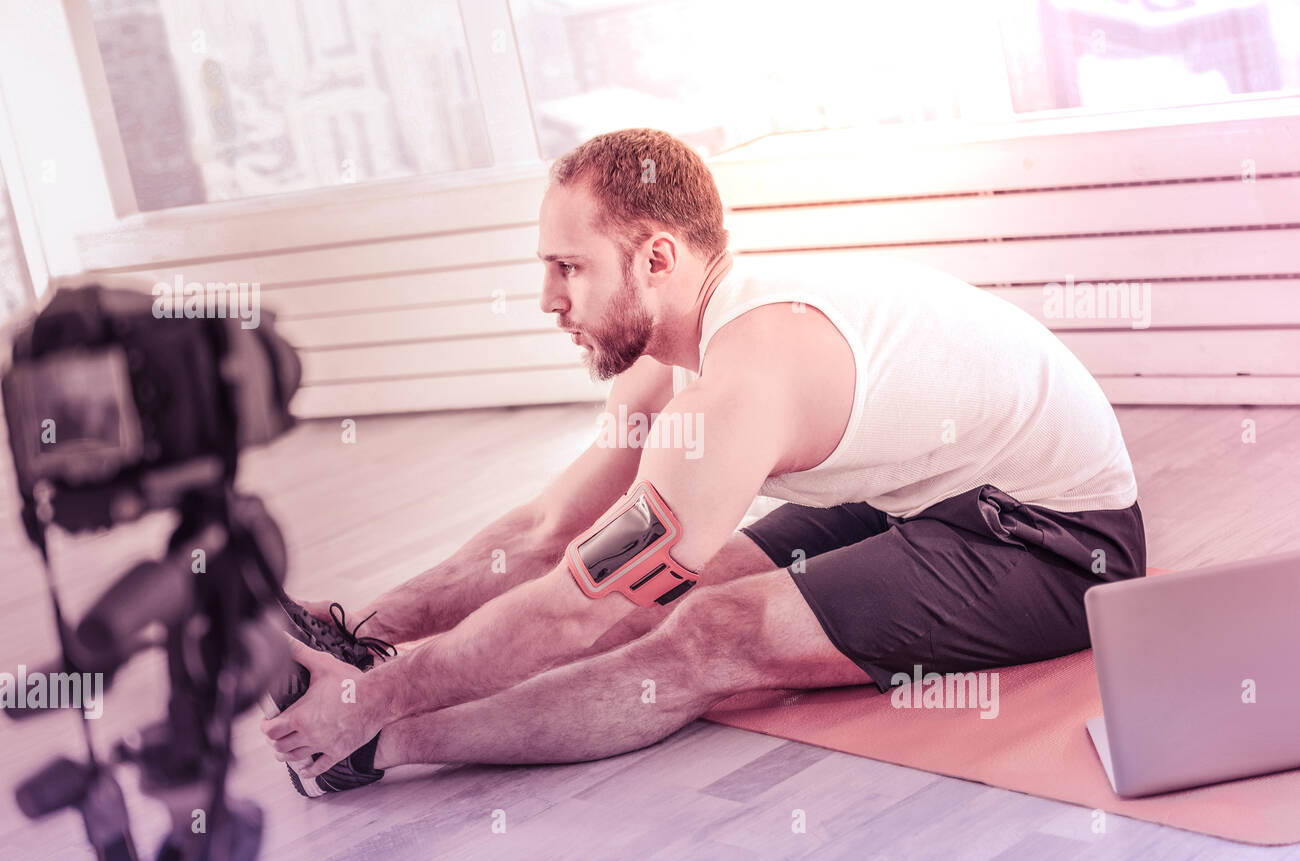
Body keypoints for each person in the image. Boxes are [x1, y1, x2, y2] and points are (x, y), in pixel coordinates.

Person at [261, 128, 1145, 796]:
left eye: (569, 267)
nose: (546, 299)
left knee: (702, 629)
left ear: (655, 258)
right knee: (666, 580)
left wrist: (378, 704)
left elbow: (578, 606)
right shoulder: (670, 356)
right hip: (930, 484)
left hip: (1051, 540)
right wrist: (360, 629)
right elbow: (549, 530)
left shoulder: (741, 390)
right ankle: (358, 657)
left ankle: (383, 746)